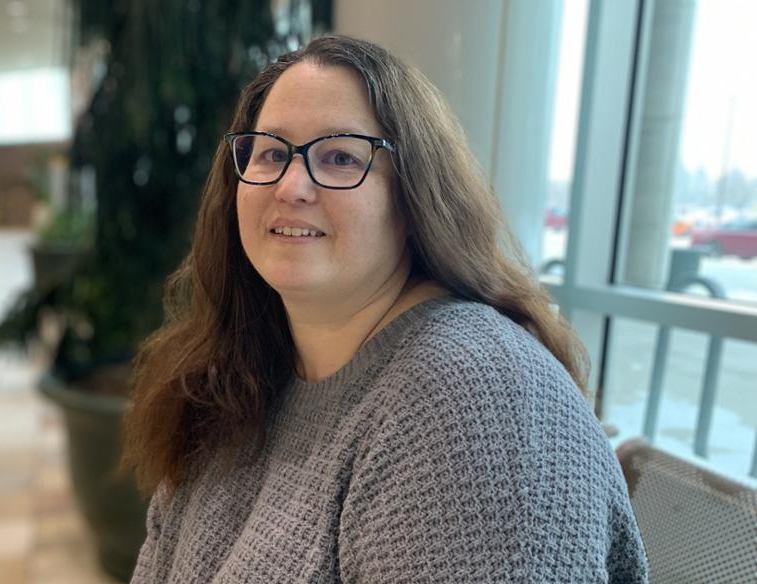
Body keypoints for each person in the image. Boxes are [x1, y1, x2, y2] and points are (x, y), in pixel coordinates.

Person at [122, 35, 648, 582]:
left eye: (341, 156)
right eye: (272, 152)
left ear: (414, 196)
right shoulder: (240, 375)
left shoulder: (477, 402)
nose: (291, 185)